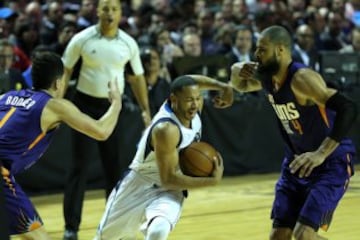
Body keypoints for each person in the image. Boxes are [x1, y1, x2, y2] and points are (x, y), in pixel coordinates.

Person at [230, 25, 357, 240]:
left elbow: (348, 108)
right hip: (296, 164)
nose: (256, 55)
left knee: (303, 236)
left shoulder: (302, 79)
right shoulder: (267, 78)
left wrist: (321, 153)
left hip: (330, 163)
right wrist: (236, 68)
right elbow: (240, 85)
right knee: (278, 236)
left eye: (262, 49)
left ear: (280, 50)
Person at [94, 74, 233, 240]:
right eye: (189, 99)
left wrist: (223, 87)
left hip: (170, 190)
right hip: (140, 184)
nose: (195, 104)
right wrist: (211, 181)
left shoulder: (193, 110)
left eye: (198, 98)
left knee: (158, 231)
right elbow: (168, 179)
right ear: (174, 99)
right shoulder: (166, 129)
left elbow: (188, 79)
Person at [0, 51, 122, 240]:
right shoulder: (54, 106)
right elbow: (101, 131)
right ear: (58, 83)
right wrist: (116, 103)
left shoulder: (6, 97)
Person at [61, 0, 151, 239]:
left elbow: (138, 78)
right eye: (105, 8)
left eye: (114, 9)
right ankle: (71, 228)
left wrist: (146, 110)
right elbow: (66, 70)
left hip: (113, 109)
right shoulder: (82, 39)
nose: (109, 13)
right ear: (97, 11)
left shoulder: (128, 43)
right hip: (83, 106)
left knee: (114, 168)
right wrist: (56, 105)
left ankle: (113, 225)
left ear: (120, 13)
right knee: (78, 168)